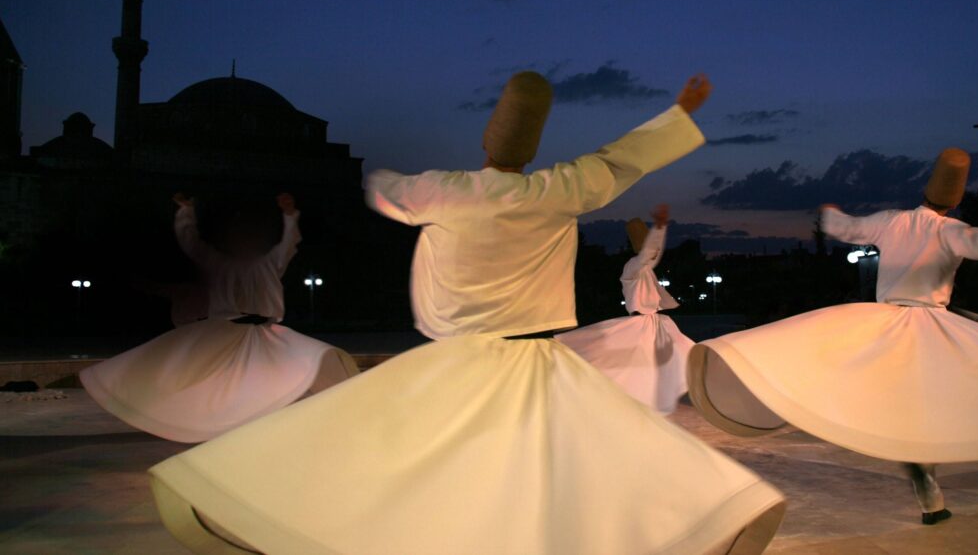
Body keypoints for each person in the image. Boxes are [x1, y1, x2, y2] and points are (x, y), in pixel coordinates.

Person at [148, 72, 786, 554]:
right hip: (534, 362)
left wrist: (357, 184)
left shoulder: (443, 192)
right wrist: (678, 115)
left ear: (486, 141)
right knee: (559, 468)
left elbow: (382, 188)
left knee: (421, 464)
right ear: (530, 150)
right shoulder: (556, 189)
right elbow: (622, 160)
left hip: (459, 359)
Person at [687, 148, 978, 524]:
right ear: (955, 199)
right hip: (928, 327)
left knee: (841, 369)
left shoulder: (893, 220)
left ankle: (920, 486)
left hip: (885, 323)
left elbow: (848, 228)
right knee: (933, 405)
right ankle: (930, 493)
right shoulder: (951, 231)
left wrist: (829, 215)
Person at [80, 192, 358, 443]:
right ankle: (218, 423)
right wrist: (186, 212)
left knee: (306, 363)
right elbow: (191, 243)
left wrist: (289, 215)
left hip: (265, 332)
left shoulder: (269, 261)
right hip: (228, 332)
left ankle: (319, 415)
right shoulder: (219, 262)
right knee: (210, 378)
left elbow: (289, 243)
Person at [556, 204, 694, 413]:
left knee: (683, 352)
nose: (654, 253)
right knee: (626, 364)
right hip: (640, 325)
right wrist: (658, 227)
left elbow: (655, 253)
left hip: (656, 323)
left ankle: (684, 384)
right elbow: (649, 253)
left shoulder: (646, 267)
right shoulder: (632, 267)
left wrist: (661, 227)